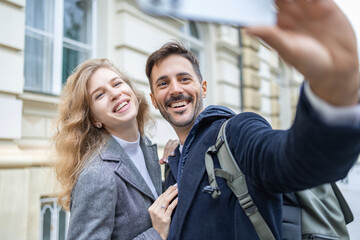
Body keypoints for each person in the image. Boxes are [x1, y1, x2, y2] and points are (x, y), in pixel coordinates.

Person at [145, 1, 360, 239]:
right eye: (163, 83)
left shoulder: (237, 133)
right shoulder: (173, 163)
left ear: (203, 88)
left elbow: (297, 161)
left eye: (184, 79)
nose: (175, 89)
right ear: (154, 100)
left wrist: (335, 97)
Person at [53, 58, 178, 240]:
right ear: (94, 118)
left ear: (132, 92)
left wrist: (175, 161)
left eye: (117, 83)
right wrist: (155, 234)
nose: (114, 94)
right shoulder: (97, 174)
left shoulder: (146, 147)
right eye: (99, 95)